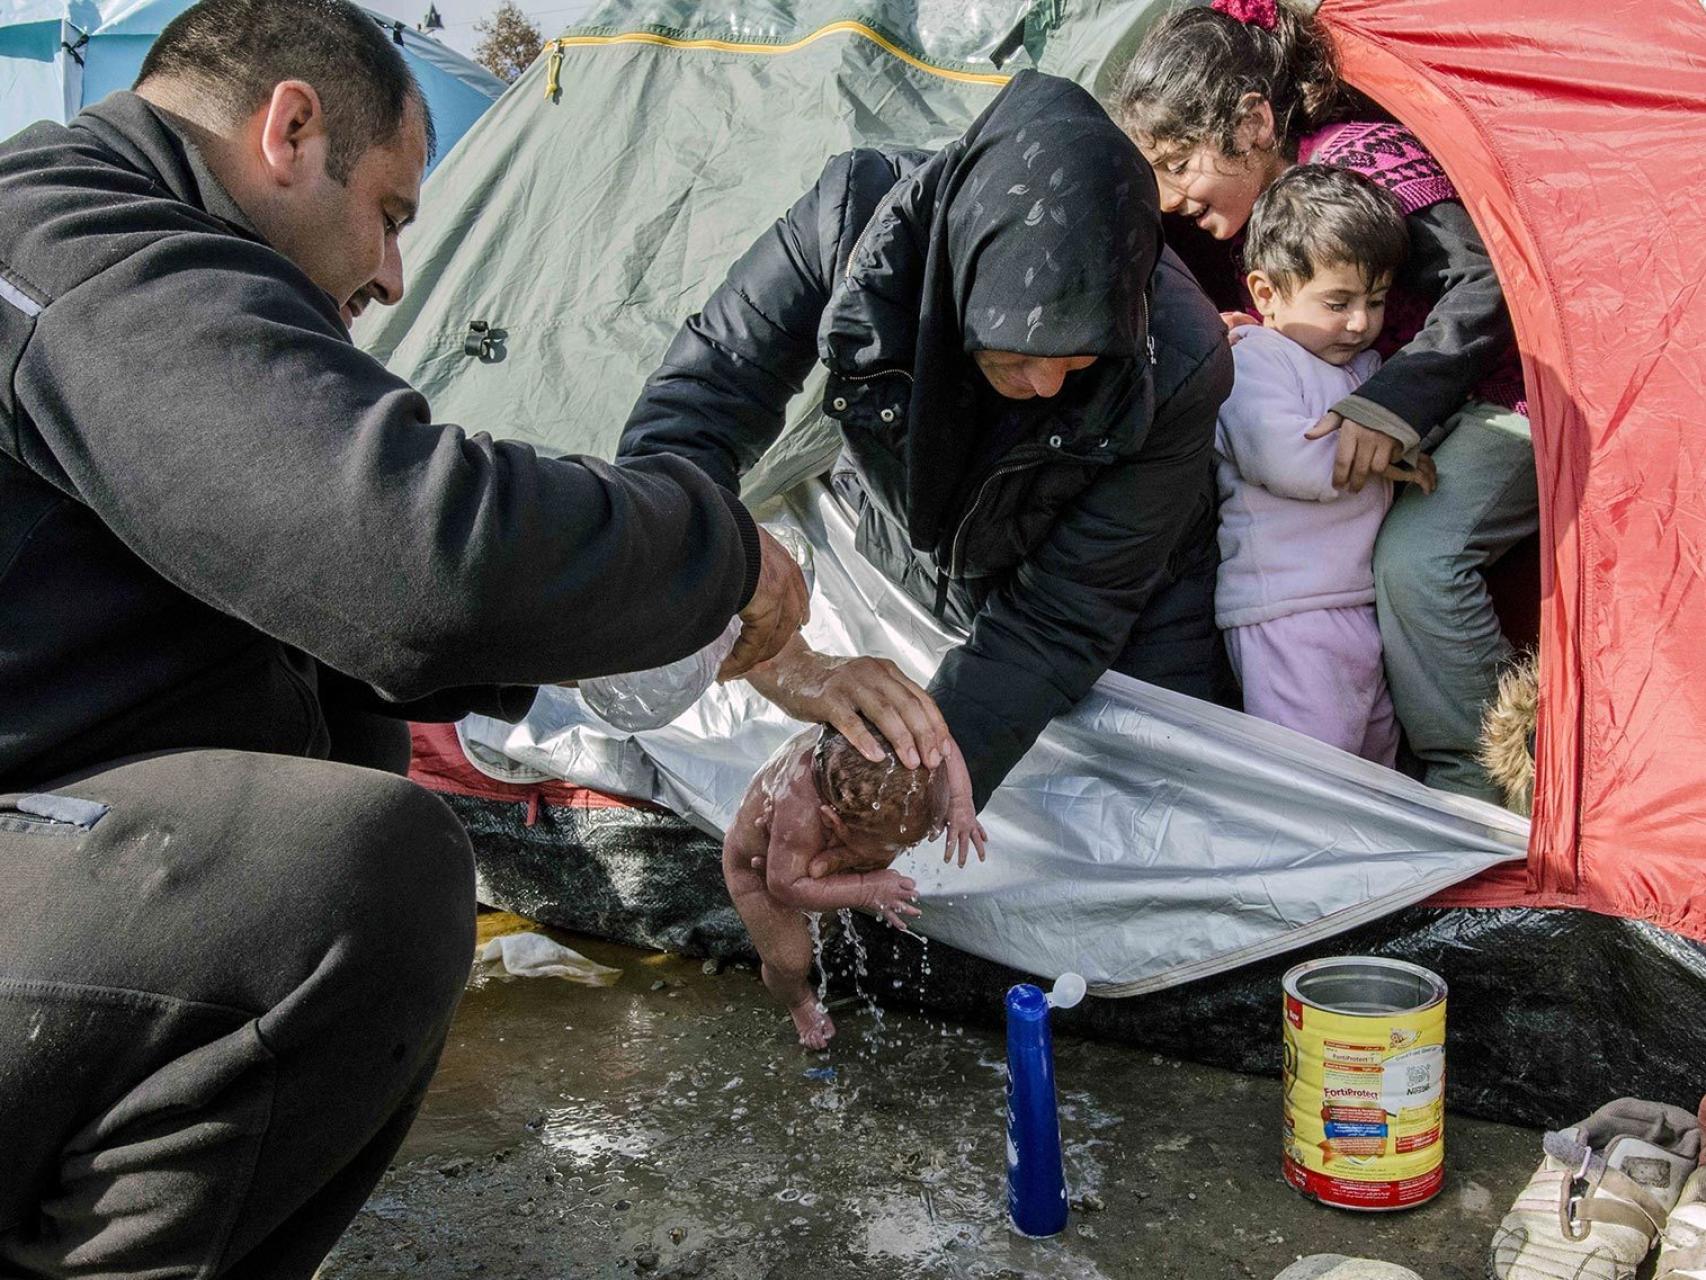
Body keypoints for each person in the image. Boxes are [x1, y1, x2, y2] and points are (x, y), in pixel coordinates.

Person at [0, 0, 810, 1271]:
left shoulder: (116, 254)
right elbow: (409, 553)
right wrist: (718, 550)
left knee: (347, 721)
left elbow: (368, 615)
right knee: (348, 877)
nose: (390, 275)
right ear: (291, 129)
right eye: (389, 212)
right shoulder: (71, 245)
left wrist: (696, 652)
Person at [619, 69, 1235, 815]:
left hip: (1127, 606)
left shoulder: (1181, 358)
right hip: (905, 549)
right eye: (1015, 355)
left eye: (1079, 361)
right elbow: (703, 397)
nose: (1045, 386)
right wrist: (728, 604)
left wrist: (913, 787)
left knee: (1156, 814)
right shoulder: (852, 222)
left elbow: (1062, 619)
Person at [1116, 0, 1538, 804]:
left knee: (1418, 560)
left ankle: (1487, 784)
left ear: (1252, 122)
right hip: (1405, 443)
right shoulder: (1243, 228)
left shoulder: (1358, 160)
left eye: (1177, 161)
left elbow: (1486, 283)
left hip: (1500, 396)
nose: (1167, 197)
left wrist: (1390, 406)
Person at [1215, 165, 1426, 763]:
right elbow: (1285, 460)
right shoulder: (1255, 361)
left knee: (1376, 762)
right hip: (1287, 612)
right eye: (1338, 302)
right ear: (1266, 295)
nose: (1360, 322)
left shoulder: (1362, 370)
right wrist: (1388, 456)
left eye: (1376, 301)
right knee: (1314, 776)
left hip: (1356, 603)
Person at [722, 723, 984, 1048]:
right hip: (759, 875)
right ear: (836, 821)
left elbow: (944, 742)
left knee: (822, 918)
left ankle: (824, 911)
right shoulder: (799, 812)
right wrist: (865, 887)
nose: (910, 848)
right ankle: (797, 999)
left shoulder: (905, 738)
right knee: (790, 958)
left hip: (802, 863)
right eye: (897, 844)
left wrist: (959, 800)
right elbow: (784, 883)